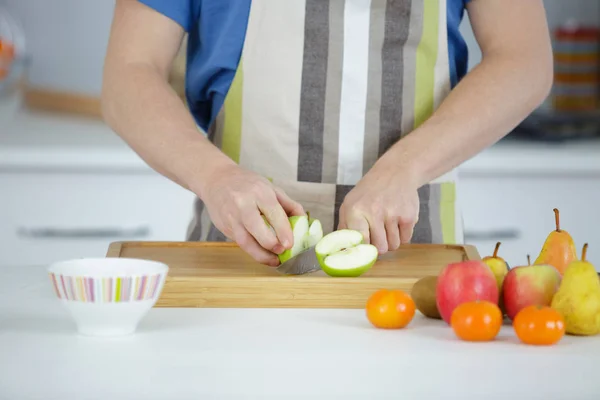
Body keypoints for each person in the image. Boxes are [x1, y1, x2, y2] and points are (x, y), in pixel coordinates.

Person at [101, 0, 553, 267]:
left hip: (416, 259)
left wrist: (403, 168)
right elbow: (129, 72)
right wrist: (217, 177)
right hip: (237, 259)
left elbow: (525, 59)